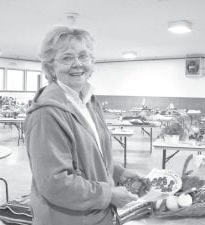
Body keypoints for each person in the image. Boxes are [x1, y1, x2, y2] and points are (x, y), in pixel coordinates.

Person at [24, 26, 140, 225]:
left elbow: (93, 157)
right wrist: (108, 194)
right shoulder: (46, 114)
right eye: (67, 58)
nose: (77, 64)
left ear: (92, 62)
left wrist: (118, 173)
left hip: (97, 215)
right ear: (51, 67)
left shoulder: (88, 102)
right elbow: (55, 183)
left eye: (83, 56)